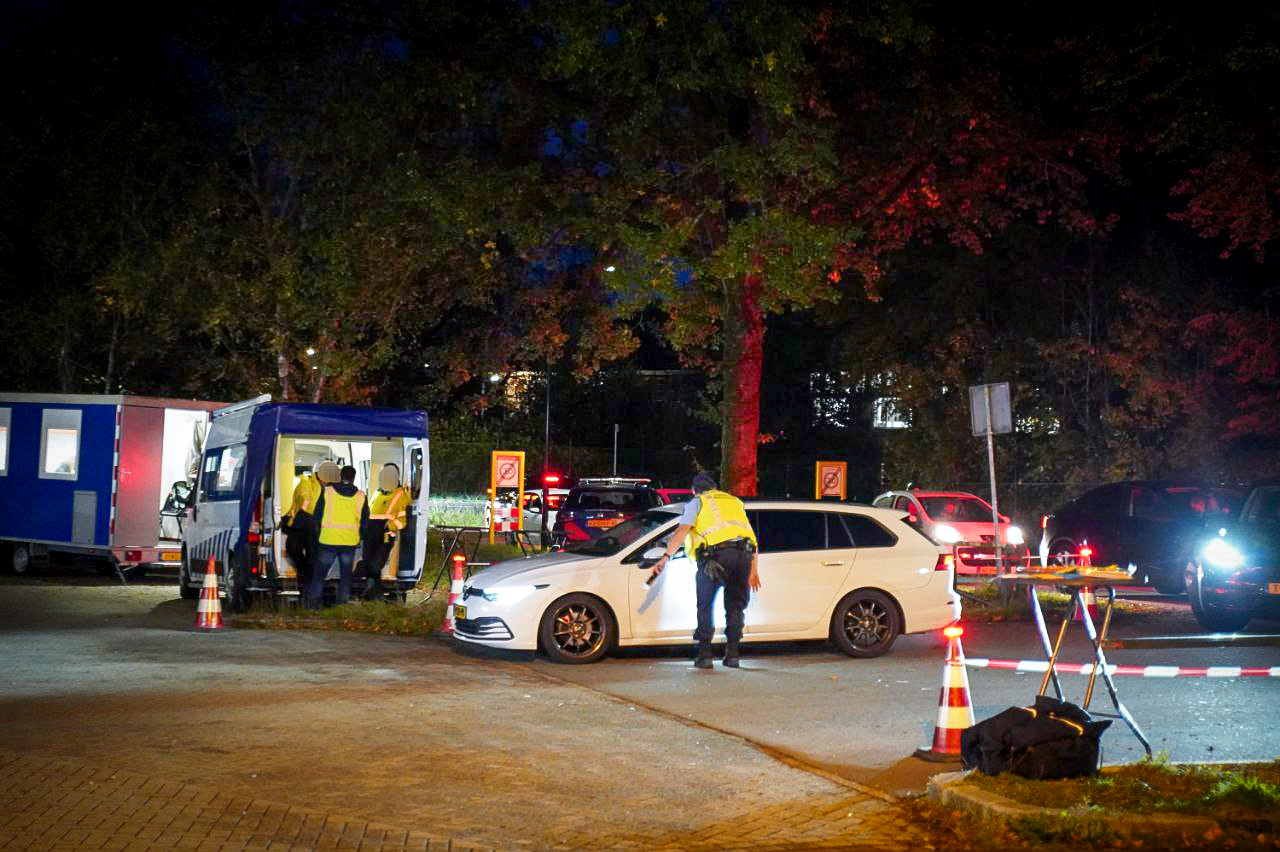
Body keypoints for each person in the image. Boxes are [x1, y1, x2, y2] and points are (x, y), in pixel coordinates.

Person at [649, 472, 760, 669]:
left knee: (705, 605)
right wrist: (754, 571)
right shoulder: (734, 502)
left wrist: (666, 556)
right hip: (743, 556)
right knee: (735, 606)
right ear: (715, 487)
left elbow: (683, 530)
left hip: (714, 559)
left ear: (694, 490)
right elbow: (751, 538)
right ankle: (732, 655)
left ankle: (705, 655)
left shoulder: (697, 502)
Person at [309, 464, 369, 608]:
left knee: (320, 574)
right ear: (353, 478)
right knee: (346, 575)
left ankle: (313, 604)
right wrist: (361, 536)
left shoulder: (327, 491)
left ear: (340, 476)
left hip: (327, 540)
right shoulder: (361, 496)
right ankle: (342, 604)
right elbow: (365, 520)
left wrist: (317, 533)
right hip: (349, 542)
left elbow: (317, 515)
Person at [282, 460, 338, 594]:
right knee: (294, 550)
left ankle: (308, 589)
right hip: (302, 524)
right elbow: (304, 498)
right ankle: (306, 581)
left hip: (315, 527)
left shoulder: (331, 488)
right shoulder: (308, 482)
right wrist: (306, 512)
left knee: (312, 558)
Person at [359, 463, 411, 599]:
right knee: (368, 563)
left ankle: (374, 595)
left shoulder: (401, 495)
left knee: (376, 565)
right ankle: (371, 594)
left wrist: (388, 525)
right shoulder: (377, 492)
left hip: (385, 535)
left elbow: (402, 522)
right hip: (370, 533)